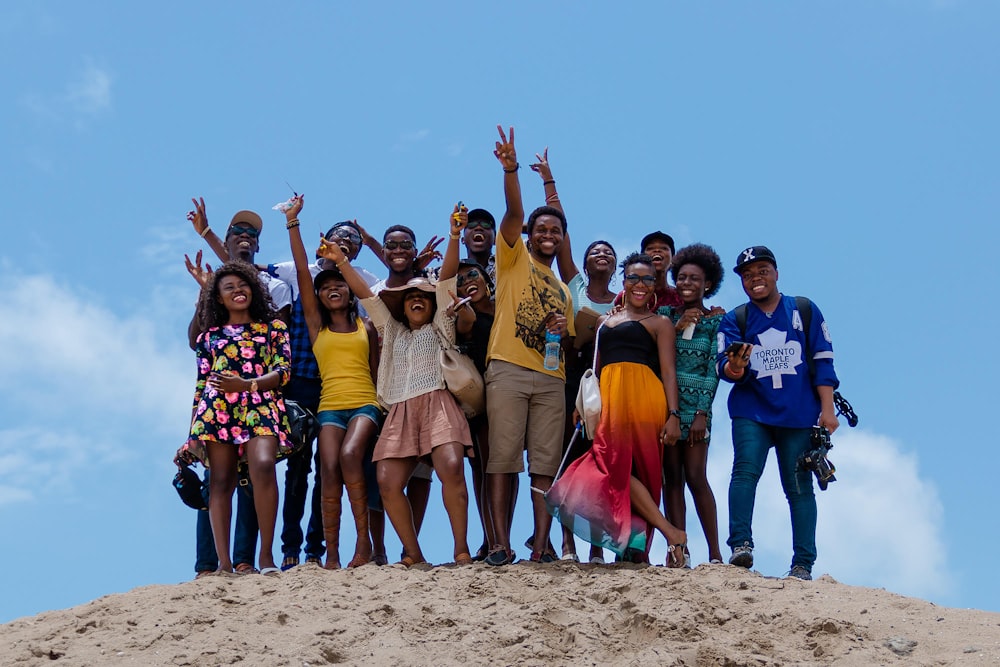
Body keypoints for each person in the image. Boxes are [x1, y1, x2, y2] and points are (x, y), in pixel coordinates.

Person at [319, 206, 473, 566]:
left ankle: (461, 549)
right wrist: (342, 262)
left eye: (422, 295)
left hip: (437, 404)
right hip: (399, 410)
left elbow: (447, 278)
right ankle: (414, 554)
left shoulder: (441, 327)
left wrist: (453, 235)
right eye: (409, 297)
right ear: (402, 306)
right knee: (387, 481)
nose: (416, 299)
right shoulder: (391, 329)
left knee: (451, 467)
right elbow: (369, 297)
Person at [546, 253, 687, 564]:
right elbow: (594, 369)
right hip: (609, 399)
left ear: (654, 286)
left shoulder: (660, 323)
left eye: (647, 279)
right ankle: (670, 533)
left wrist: (674, 415)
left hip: (645, 399)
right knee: (611, 467)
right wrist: (582, 405)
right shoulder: (603, 321)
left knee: (641, 471)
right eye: (633, 278)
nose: (640, 284)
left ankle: (636, 548)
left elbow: (668, 372)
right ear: (623, 282)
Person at [265, 219, 384, 570]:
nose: (334, 289)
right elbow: (303, 270)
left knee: (339, 463)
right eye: (326, 287)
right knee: (304, 470)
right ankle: (310, 551)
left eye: (340, 286)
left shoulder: (366, 321)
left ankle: (344, 546)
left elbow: (383, 298)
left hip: (361, 400)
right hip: (311, 391)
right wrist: (292, 223)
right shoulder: (316, 324)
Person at [717, 245, 840, 580]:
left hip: (799, 413)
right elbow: (724, 369)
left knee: (799, 486)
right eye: (747, 275)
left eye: (761, 271)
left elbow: (823, 360)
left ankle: (803, 563)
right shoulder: (736, 319)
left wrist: (827, 409)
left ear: (775, 272)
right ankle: (740, 544)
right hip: (751, 411)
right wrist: (736, 365)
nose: (755, 279)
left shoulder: (803, 309)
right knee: (744, 473)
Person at [184, 201, 292, 576]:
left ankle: (262, 556)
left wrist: (245, 384)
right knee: (220, 482)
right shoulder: (211, 333)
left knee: (263, 467)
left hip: (261, 402)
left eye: (241, 285)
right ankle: (221, 564)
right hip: (217, 411)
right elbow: (200, 380)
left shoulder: (273, 322)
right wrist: (191, 433)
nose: (236, 290)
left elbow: (284, 370)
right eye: (227, 287)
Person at [484, 126, 576, 566]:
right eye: (542, 228)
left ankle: (541, 545)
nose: (548, 234)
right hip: (508, 367)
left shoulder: (564, 288)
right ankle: (499, 543)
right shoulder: (513, 257)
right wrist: (512, 170)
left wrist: (561, 327)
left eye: (556, 230)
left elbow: (572, 335)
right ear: (529, 233)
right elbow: (514, 212)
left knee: (544, 464)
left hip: (551, 376)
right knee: (503, 460)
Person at [535, 147, 616, 564]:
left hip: (611, 386)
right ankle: (567, 544)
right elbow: (561, 233)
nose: (600, 254)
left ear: (617, 265)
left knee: (601, 465)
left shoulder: (624, 301)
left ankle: (598, 546)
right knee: (569, 460)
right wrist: (550, 181)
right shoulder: (576, 287)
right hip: (573, 378)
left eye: (608, 252)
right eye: (594, 252)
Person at [657, 243, 727, 566]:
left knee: (696, 476)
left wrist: (702, 413)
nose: (686, 283)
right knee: (672, 478)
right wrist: (678, 324)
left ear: (707, 284)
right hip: (669, 408)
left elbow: (713, 368)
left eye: (694, 279)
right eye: (681, 277)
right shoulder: (666, 317)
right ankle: (678, 550)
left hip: (698, 411)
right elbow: (658, 356)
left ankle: (715, 553)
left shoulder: (716, 322)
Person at [641, 231, 683, 309]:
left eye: (664, 248)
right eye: (650, 248)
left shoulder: (681, 296)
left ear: (673, 260)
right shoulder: (632, 294)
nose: (657, 250)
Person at [461, 208, 497, 285]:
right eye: (471, 224)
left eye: (486, 224)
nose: (478, 228)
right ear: (462, 240)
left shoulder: (507, 264)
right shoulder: (455, 272)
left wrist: (509, 232)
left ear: (495, 240)